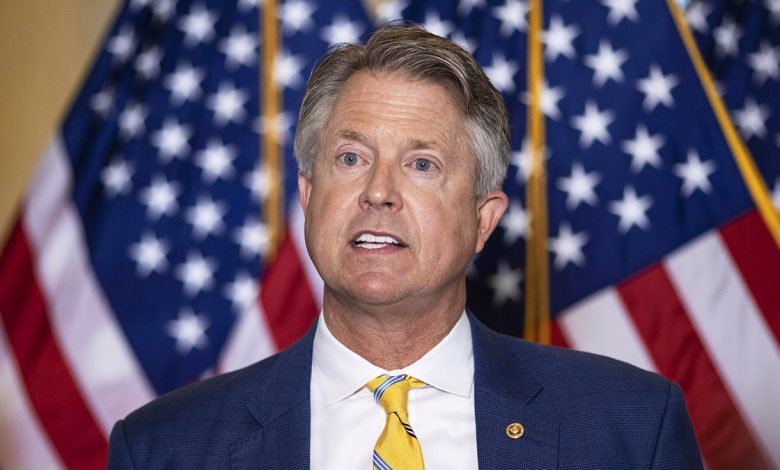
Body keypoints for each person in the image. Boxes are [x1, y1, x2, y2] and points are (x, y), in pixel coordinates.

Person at [108, 25, 703, 469]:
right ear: (309, 196)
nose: (378, 192)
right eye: (351, 158)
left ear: (483, 220)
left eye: (422, 164)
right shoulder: (165, 449)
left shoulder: (629, 432)